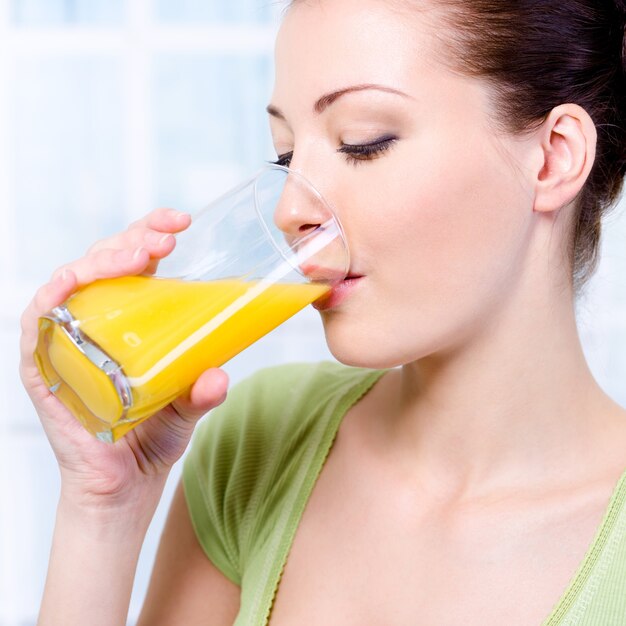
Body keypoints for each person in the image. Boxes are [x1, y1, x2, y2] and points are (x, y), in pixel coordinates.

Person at [19, 0, 626, 624]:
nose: (288, 209)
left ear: (553, 156)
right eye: (286, 156)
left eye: (363, 143)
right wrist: (103, 510)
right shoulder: (261, 441)